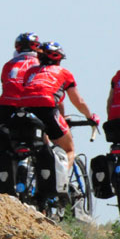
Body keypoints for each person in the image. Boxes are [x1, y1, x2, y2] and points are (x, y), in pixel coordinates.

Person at [17, 41, 99, 169]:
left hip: (25, 111)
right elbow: (78, 101)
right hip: (47, 110)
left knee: (41, 146)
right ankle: (63, 179)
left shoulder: (30, 72)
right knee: (69, 149)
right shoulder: (64, 73)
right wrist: (90, 116)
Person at [0, 32, 42, 126]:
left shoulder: (8, 64)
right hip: (29, 104)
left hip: (5, 105)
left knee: (0, 132)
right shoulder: (40, 64)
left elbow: (4, 84)